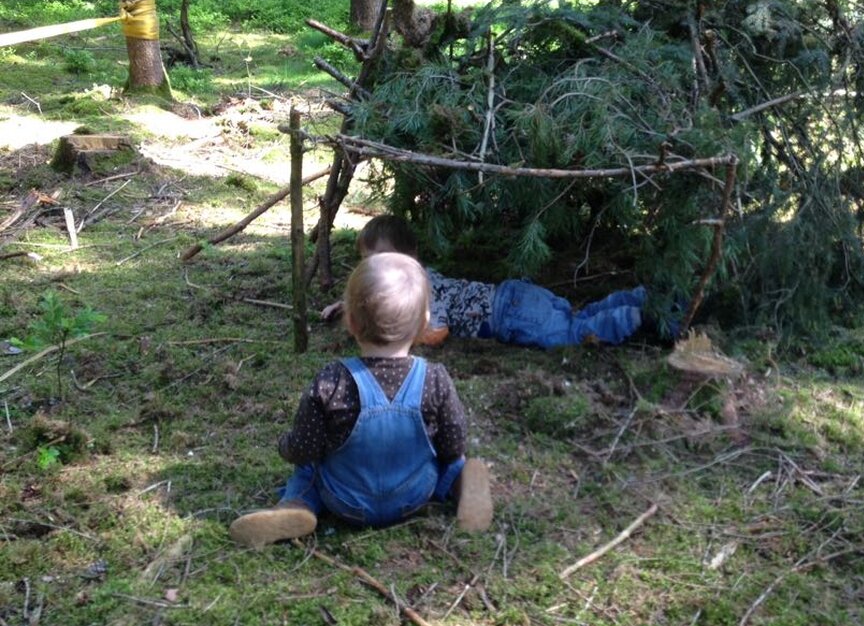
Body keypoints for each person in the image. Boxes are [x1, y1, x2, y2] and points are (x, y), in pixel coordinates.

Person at [230, 251, 492, 549]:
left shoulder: (332, 381)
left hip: (344, 501)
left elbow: (304, 447)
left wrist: (284, 446)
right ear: (424, 323)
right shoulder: (435, 379)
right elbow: (453, 444)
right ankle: (462, 486)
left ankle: (296, 505)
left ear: (351, 322)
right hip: (414, 497)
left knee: (307, 470)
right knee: (454, 463)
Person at [322, 215, 648, 349]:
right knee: (578, 317)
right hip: (514, 296)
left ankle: (643, 317)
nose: (374, 270)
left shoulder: (420, 289)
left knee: (574, 335)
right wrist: (353, 304)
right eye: (367, 263)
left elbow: (437, 332)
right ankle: (642, 298)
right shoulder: (420, 276)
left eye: (381, 260)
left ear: (411, 256)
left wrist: (397, 336)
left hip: (511, 314)